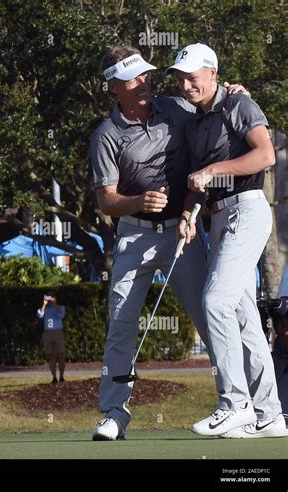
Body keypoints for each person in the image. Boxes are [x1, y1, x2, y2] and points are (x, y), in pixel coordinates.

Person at [90, 45, 248, 441]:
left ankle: (239, 405)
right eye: (131, 78)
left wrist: (236, 95)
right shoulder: (106, 136)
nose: (143, 82)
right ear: (113, 87)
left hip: (183, 233)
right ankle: (114, 413)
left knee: (214, 318)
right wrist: (137, 201)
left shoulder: (178, 107)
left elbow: (216, 106)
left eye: (144, 74)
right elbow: (105, 200)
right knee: (121, 325)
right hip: (133, 236)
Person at [168, 43, 286, 438]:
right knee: (243, 316)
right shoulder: (196, 123)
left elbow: (265, 155)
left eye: (193, 77)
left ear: (213, 73)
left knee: (215, 300)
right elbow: (202, 182)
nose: (186, 85)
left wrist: (214, 169)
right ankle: (270, 414)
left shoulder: (239, 104)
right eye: (181, 79)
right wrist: (188, 213)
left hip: (248, 210)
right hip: (217, 218)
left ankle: (235, 403)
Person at [37, 291, 66, 383]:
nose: (50, 300)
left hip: (58, 332)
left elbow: (61, 315)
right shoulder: (45, 308)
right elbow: (40, 315)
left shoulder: (61, 307)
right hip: (47, 333)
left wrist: (54, 304)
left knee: (61, 355)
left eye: (51, 298)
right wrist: (44, 304)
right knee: (51, 356)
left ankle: (61, 376)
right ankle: (54, 377)